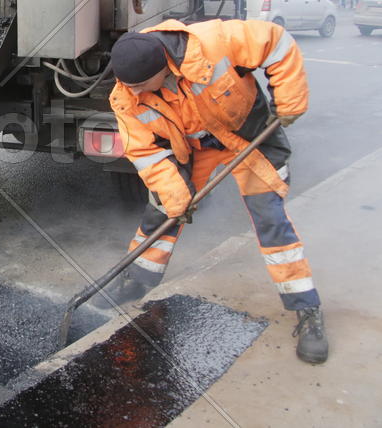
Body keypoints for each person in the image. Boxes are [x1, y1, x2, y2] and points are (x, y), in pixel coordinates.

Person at [98, 19, 328, 365]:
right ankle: (136, 281)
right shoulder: (125, 95)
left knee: (270, 218)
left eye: (142, 86)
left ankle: (306, 307)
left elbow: (277, 43)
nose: (135, 93)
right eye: (129, 86)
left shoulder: (213, 42)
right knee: (163, 210)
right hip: (194, 147)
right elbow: (143, 151)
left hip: (248, 136)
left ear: (163, 66)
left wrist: (290, 98)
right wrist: (175, 194)